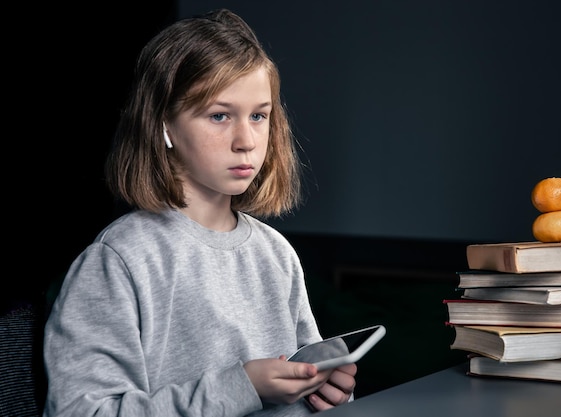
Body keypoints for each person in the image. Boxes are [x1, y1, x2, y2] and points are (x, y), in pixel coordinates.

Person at [43, 9, 357, 417]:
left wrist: (329, 392)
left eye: (259, 116)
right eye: (219, 115)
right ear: (164, 126)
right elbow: (77, 412)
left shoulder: (276, 254)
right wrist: (242, 388)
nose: (246, 141)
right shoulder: (119, 260)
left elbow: (307, 376)